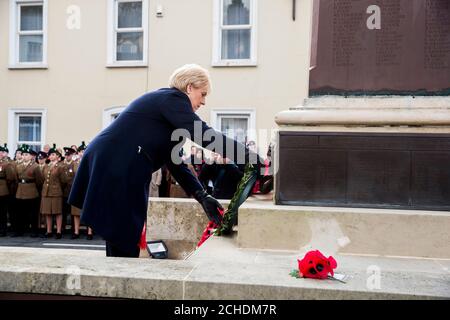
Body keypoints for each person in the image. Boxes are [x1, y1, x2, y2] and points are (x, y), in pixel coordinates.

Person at [69, 64, 259, 258]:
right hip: (116, 165)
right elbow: (204, 135)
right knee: (124, 236)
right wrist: (248, 157)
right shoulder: (173, 99)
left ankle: (122, 279)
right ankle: (121, 282)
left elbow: (175, 162)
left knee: (125, 236)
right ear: (189, 87)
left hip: (117, 164)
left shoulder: (168, 109)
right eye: (202, 94)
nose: (203, 102)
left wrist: (201, 195)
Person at [13, 145, 43, 237]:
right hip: (20, 190)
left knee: (33, 213)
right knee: (19, 213)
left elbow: (39, 180)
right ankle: (19, 231)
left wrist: (35, 188)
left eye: (27, 154)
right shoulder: (18, 166)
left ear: (31, 156)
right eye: (23, 154)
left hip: (31, 191)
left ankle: (34, 231)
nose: (24, 156)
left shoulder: (35, 166)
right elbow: (16, 178)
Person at [40, 144, 64, 239]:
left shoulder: (60, 167)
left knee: (57, 212)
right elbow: (42, 178)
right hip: (46, 192)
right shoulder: (46, 166)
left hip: (56, 192)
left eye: (54, 155)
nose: (52, 156)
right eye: (51, 155)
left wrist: (57, 187)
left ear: (58, 156)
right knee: (47, 212)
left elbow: (64, 180)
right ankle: (49, 231)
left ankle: (58, 231)